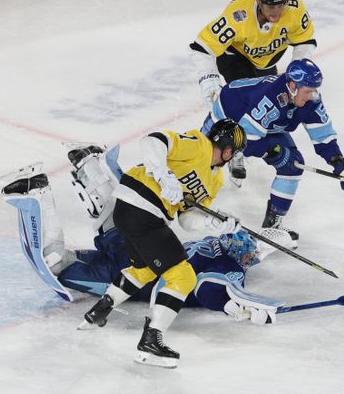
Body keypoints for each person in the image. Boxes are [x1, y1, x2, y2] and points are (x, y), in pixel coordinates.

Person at [0, 158, 284, 330]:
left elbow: (210, 285)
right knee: (61, 263)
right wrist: (234, 304)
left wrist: (233, 302)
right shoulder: (230, 263)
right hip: (131, 272)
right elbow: (209, 288)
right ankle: (40, 193)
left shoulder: (217, 249)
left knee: (111, 228)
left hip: (136, 252)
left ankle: (90, 170)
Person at [54, 120, 247, 368]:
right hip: (141, 209)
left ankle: (100, 311)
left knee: (143, 269)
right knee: (184, 277)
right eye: (234, 151)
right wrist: (163, 174)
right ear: (227, 146)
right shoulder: (199, 145)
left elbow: (187, 219)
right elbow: (153, 141)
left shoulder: (215, 180)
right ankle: (150, 342)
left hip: (138, 213)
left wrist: (214, 222)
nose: (233, 158)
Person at [201, 58, 344, 247]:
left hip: (264, 125)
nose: (312, 96)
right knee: (203, 164)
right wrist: (272, 153)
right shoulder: (271, 98)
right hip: (229, 115)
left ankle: (272, 227)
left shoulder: (310, 99)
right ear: (293, 85)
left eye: (314, 90)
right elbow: (246, 140)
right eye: (308, 91)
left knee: (292, 165)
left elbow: (323, 135)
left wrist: (338, 162)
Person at [190, 0, 317, 182]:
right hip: (234, 57)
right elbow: (202, 47)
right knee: (241, 105)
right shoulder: (237, 15)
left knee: (264, 108)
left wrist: (298, 73)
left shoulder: (294, 10)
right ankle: (225, 151)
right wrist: (209, 80)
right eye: (270, 7)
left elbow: (305, 41)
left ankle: (238, 144)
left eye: (280, 6)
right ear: (258, 1)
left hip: (266, 62)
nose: (276, 12)